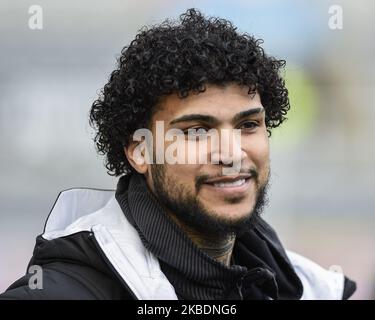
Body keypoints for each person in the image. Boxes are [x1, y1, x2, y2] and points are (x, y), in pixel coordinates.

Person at [0, 8, 356, 300]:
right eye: (197, 131)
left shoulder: (309, 288)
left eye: (248, 125)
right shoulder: (57, 293)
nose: (231, 153)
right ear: (140, 150)